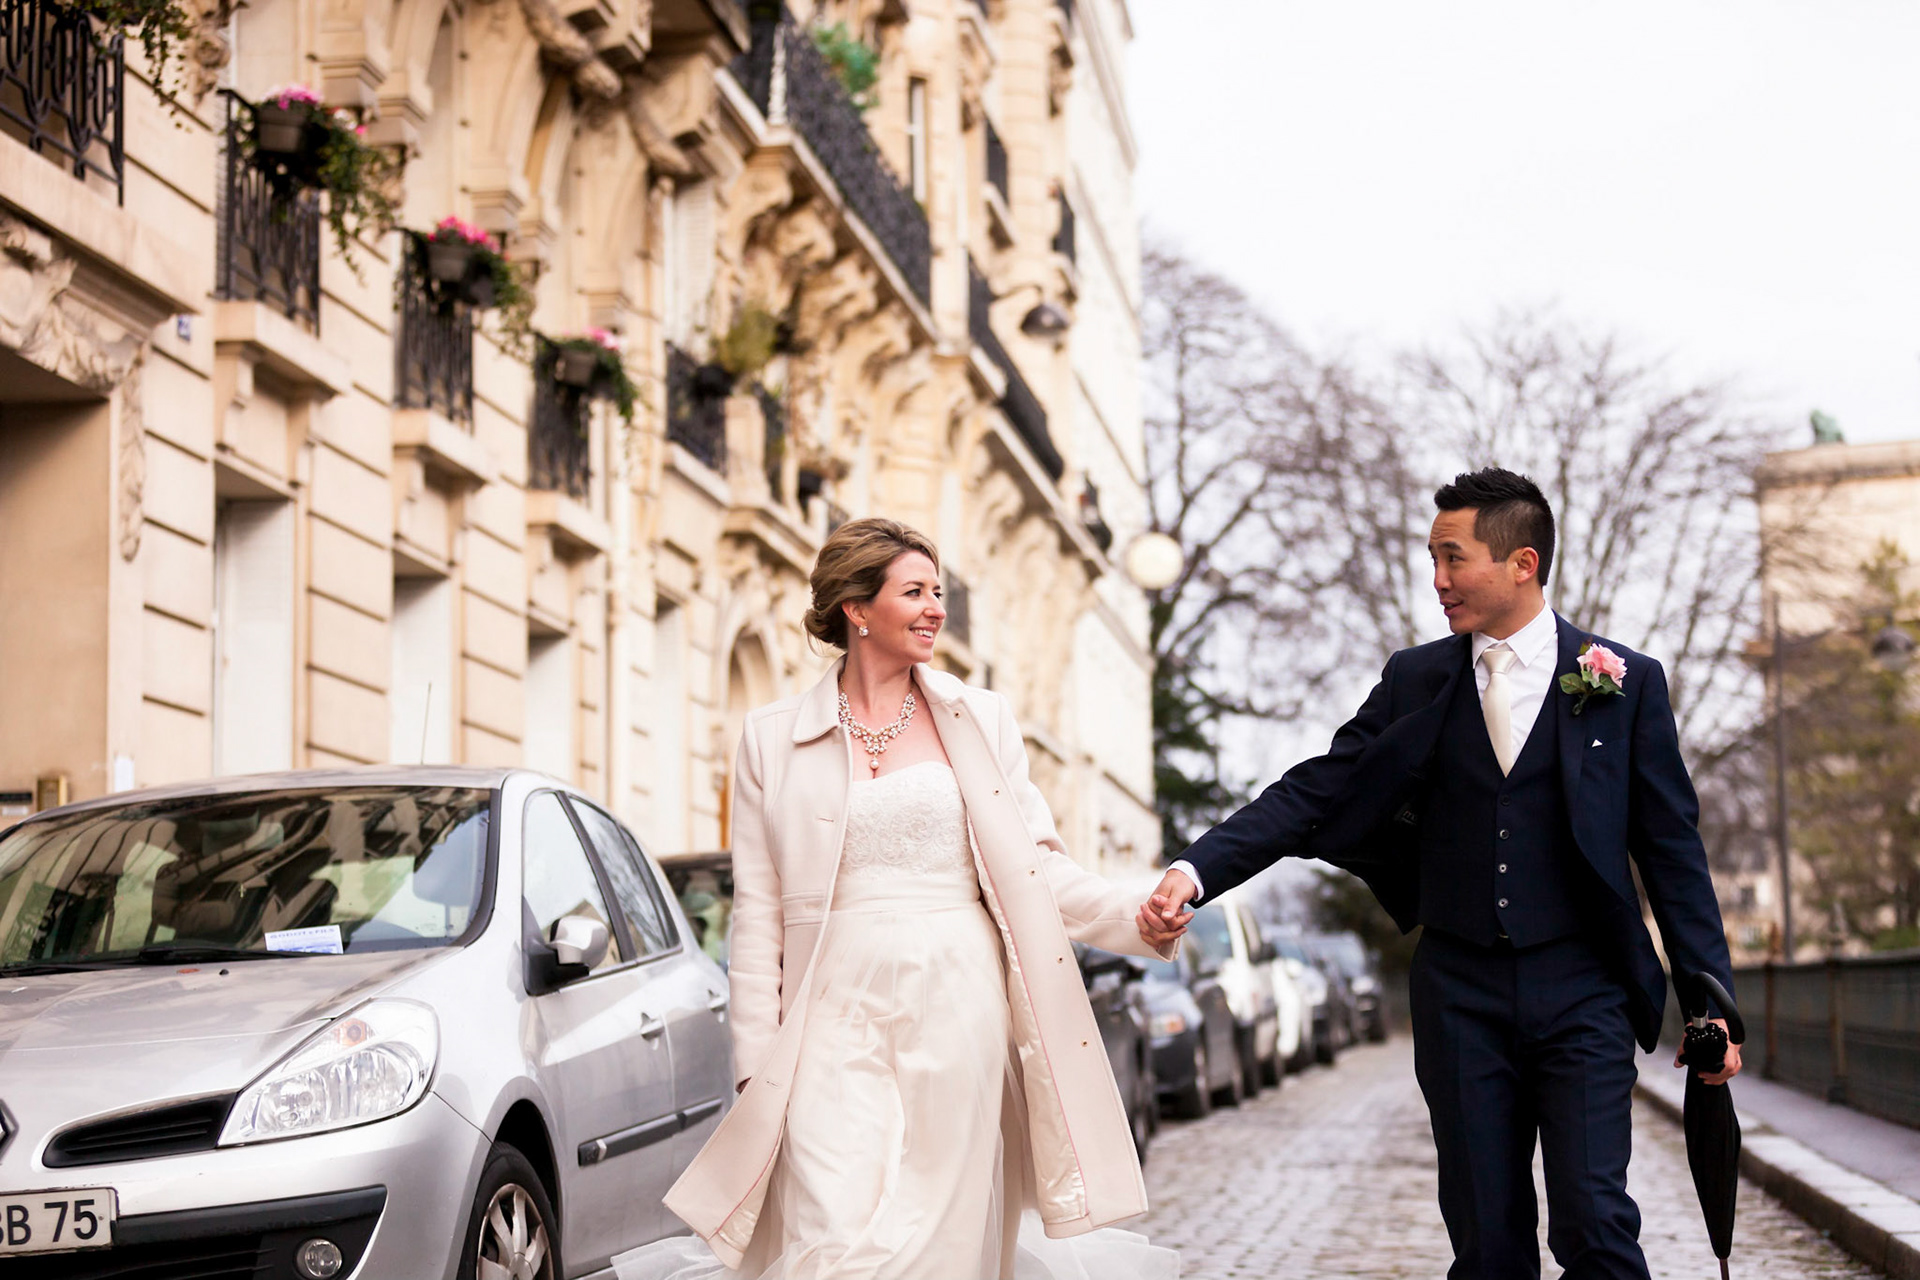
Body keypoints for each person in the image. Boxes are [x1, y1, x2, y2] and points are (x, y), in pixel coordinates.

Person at [1139, 468, 1740, 1280]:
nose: (1439, 580)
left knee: (1597, 1225)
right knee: (1487, 1244)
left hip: (1585, 985)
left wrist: (1713, 1003)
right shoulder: (1415, 678)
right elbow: (1320, 785)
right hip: (1459, 989)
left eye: (1453, 559)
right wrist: (1196, 867)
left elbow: (1672, 853)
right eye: (1432, 558)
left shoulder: (1625, 684)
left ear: (1522, 563)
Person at [617, 518, 1179, 1280]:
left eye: (938, 591)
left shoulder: (981, 722)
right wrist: (754, 1055)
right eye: (914, 592)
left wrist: (1134, 914)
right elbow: (757, 914)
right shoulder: (769, 737)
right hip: (827, 1011)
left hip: (957, 1004)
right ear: (856, 608)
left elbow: (1036, 871)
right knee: (831, 1229)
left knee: (937, 1234)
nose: (935, 609)